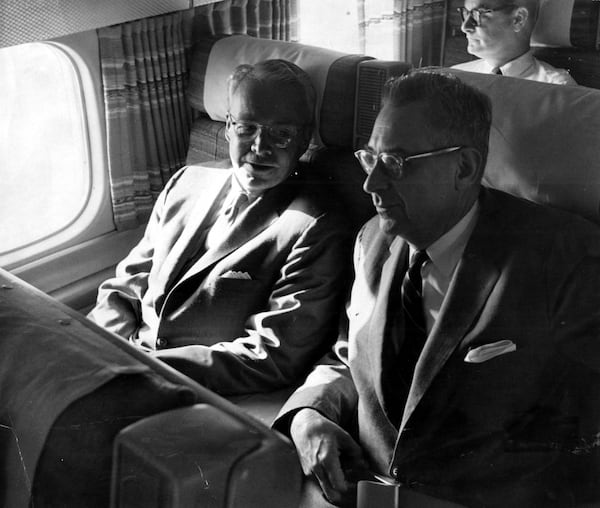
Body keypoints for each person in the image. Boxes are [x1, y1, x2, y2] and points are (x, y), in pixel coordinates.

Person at [275, 70, 600, 507]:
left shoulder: (566, 259)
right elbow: (348, 355)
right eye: (370, 159)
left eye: (394, 163)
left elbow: (587, 442)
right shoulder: (372, 239)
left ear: (464, 168)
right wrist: (308, 416)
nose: (371, 184)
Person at [88, 59, 350, 395]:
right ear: (228, 127)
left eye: (281, 134)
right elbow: (125, 286)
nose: (259, 147)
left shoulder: (316, 225)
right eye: (247, 127)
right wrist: (104, 350)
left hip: (198, 390)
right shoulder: (186, 182)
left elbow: (273, 354)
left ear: (304, 140)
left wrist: (146, 370)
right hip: (124, 363)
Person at [452, 0, 576, 85]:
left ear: (518, 19)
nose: (465, 27)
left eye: (477, 14)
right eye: (466, 13)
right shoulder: (453, 77)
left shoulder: (557, 88)